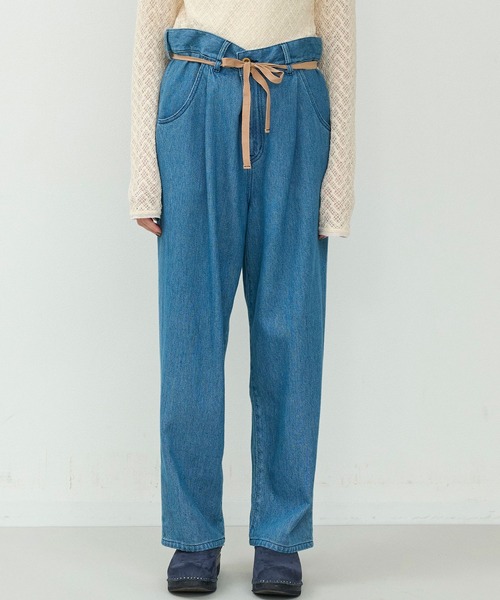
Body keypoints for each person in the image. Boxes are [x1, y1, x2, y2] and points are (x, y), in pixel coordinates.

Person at [128, 0, 356, 595]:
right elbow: (151, 30)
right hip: (195, 102)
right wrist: (143, 177)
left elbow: (339, 40)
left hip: (296, 100)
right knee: (190, 336)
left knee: (291, 331)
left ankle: (280, 537)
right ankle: (193, 535)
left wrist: (337, 190)